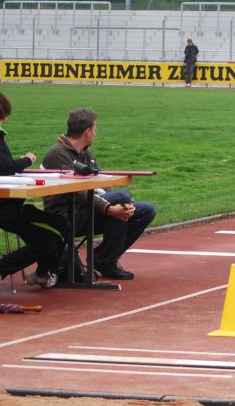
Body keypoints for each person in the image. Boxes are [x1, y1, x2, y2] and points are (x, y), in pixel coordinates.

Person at [42, 109, 156, 281]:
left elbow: (101, 183)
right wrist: (109, 207)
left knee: (146, 210)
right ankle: (106, 261)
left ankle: (103, 259)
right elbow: (76, 193)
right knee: (121, 198)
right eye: (95, 129)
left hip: (86, 209)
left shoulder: (86, 153)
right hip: (65, 215)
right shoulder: (58, 154)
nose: (96, 133)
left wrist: (122, 203)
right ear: (87, 132)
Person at [0, 90, 69, 289]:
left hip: (9, 205)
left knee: (61, 225)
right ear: (3, 113)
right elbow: (5, 167)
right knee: (48, 241)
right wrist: (27, 159)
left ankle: (44, 272)